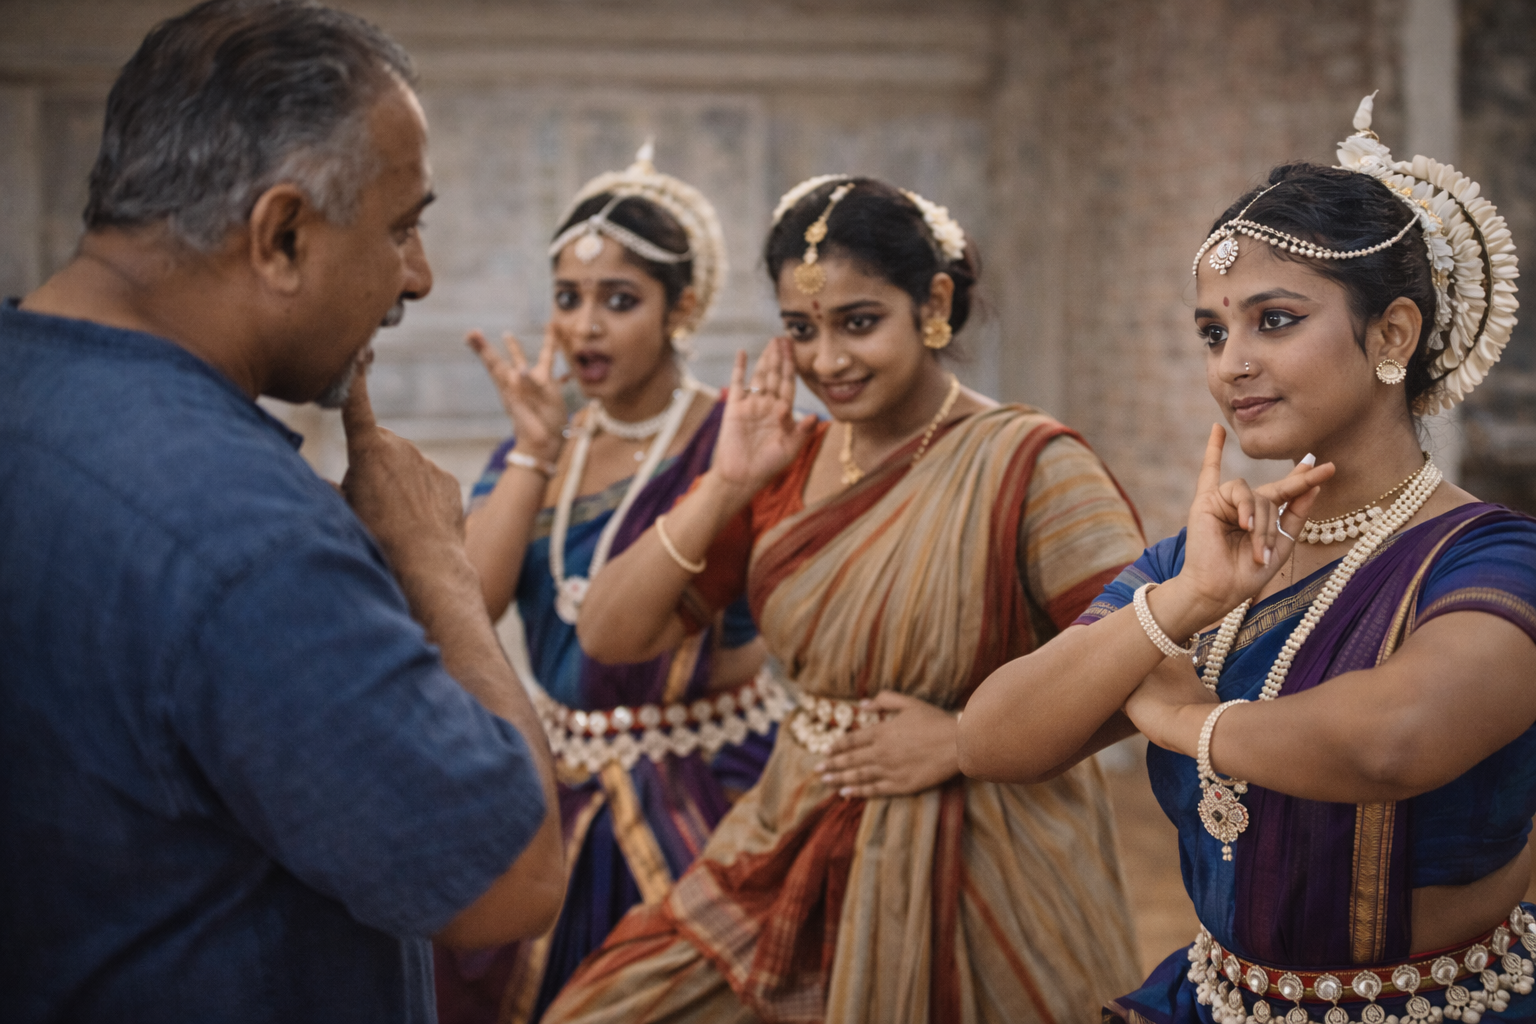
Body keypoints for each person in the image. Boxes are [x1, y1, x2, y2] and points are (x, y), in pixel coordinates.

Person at [0, 2, 564, 1020]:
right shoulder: (244, 532)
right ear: (283, 235)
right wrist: (431, 559)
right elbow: (509, 877)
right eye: (401, 228)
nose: (419, 276)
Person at [959, 94, 1533, 1024]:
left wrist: (1183, 717)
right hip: (1214, 1000)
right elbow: (993, 740)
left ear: (1392, 334)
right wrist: (1179, 604)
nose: (1230, 364)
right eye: (1214, 332)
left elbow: (1391, 741)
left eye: (1276, 320)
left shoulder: (1495, 561)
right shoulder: (1211, 563)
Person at [541, 176, 1148, 1023]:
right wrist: (725, 484)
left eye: (858, 323)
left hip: (990, 853)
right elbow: (610, 635)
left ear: (933, 304)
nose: (826, 361)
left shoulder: (1031, 465)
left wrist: (964, 740)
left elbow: (1147, 669)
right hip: (792, 827)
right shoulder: (787, 464)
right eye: (801, 329)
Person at [434, 146, 783, 1024]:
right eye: (569, 299)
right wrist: (532, 453)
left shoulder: (738, 442)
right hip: (557, 793)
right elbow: (469, 604)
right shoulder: (545, 443)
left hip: (718, 790)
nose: (585, 327)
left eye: (618, 301)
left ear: (682, 308)